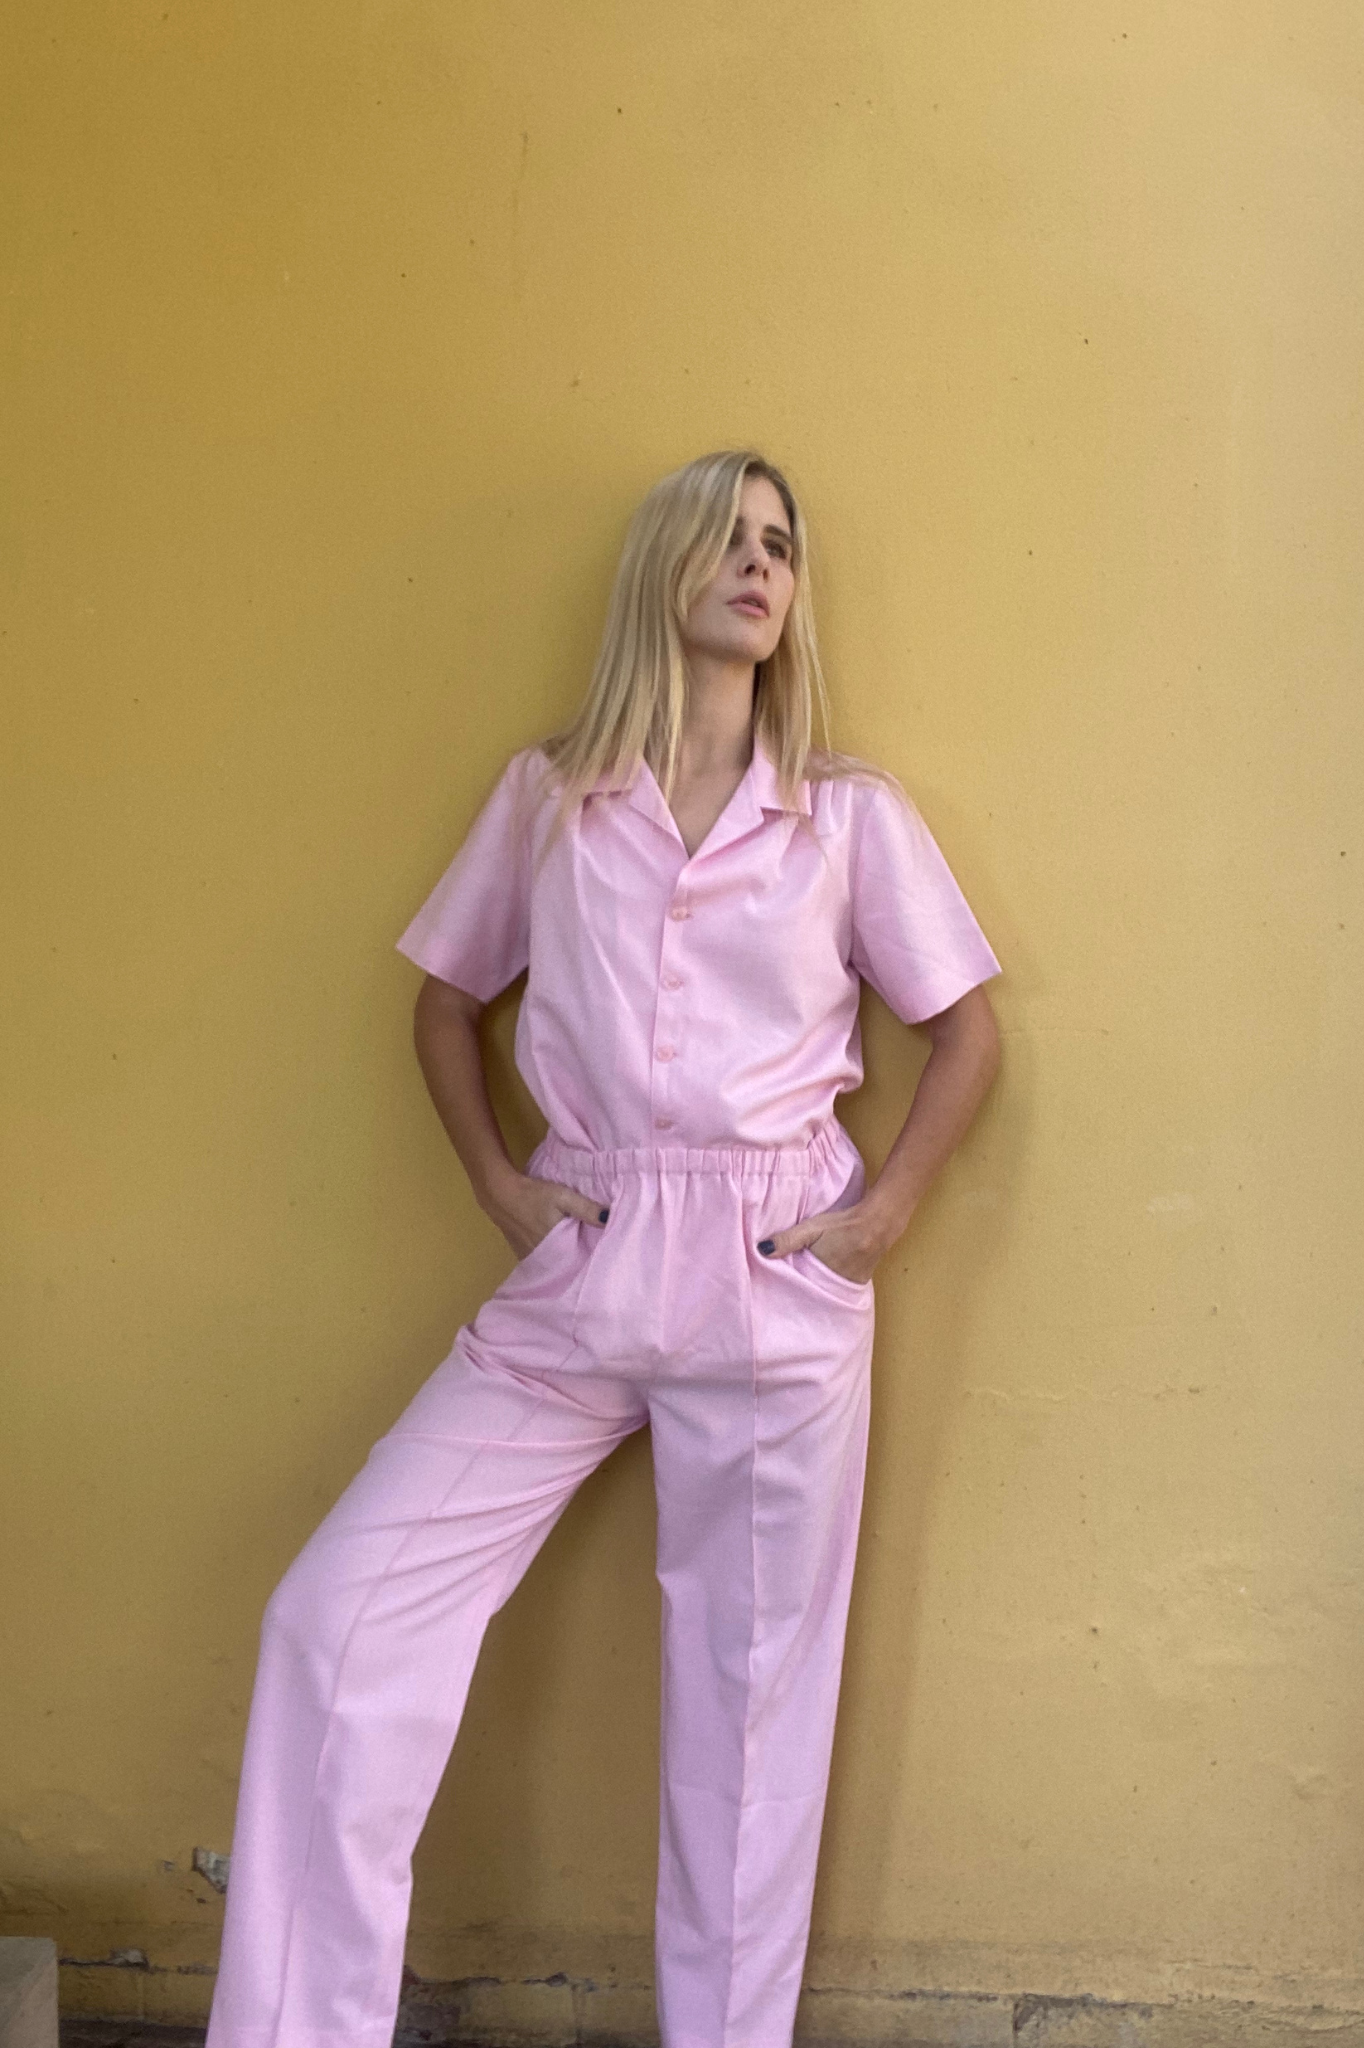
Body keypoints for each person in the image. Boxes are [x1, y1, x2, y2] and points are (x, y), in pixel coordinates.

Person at [205, 450, 1002, 2048]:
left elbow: (968, 1033)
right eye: (730, 536)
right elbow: (445, 1002)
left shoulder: (844, 815)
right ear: (663, 565)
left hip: (775, 1271)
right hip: (583, 1258)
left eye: (781, 545)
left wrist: (877, 1224)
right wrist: (500, 1185)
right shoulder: (552, 797)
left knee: (750, 1727)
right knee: (337, 1618)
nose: (761, 565)